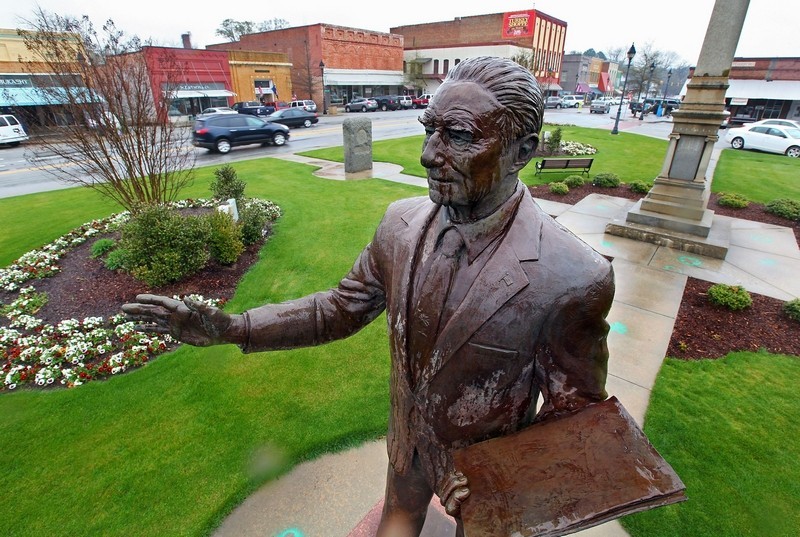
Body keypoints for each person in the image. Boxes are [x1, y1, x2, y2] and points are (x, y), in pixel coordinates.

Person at [123, 56, 614, 537]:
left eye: (459, 136)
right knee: (396, 523)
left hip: (486, 484)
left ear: (522, 150)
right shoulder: (400, 226)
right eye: (429, 130)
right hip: (406, 442)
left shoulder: (571, 276)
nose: (428, 154)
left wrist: (505, 474)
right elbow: (337, 310)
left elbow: (577, 420)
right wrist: (234, 327)